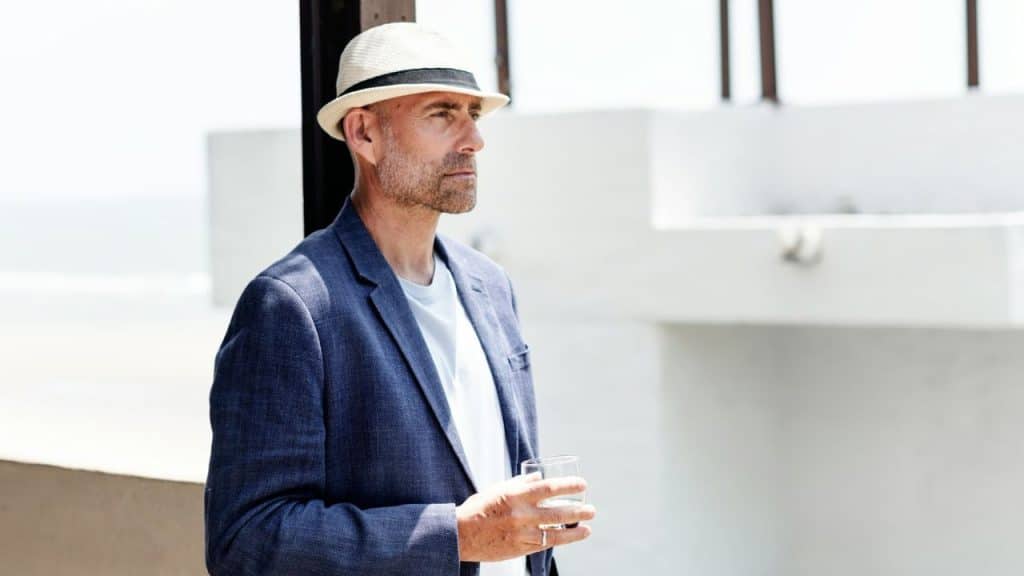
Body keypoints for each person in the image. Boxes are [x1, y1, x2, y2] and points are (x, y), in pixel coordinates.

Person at [204, 22, 595, 576]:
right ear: (364, 133)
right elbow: (248, 541)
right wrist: (456, 536)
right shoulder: (293, 306)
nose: (473, 140)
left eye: (473, 115)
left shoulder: (490, 287)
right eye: (442, 114)